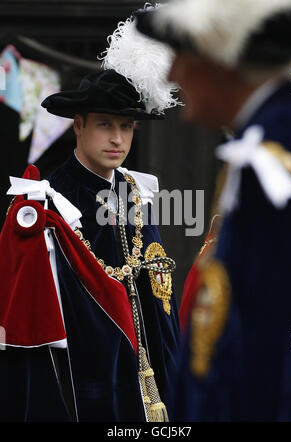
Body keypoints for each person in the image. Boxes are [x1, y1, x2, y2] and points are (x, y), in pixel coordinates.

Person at [0, 10, 181, 422]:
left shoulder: (136, 191)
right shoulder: (47, 204)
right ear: (78, 125)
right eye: (105, 124)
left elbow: (158, 297)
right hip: (84, 384)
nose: (118, 139)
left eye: (126, 126)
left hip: (152, 379)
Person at [135, 0, 291, 421]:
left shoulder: (275, 161)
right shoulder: (263, 142)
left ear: (224, 61)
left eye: (184, 56)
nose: (172, 74)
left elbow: (270, 339)